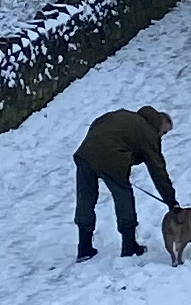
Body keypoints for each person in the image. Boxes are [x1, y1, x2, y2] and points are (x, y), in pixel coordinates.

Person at [73, 105, 179, 261]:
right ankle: (129, 246)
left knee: (86, 199)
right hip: (111, 159)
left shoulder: (123, 116)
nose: (161, 136)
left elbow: (97, 124)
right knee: (123, 197)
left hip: (85, 153)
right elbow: (158, 171)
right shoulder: (148, 132)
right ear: (160, 122)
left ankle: (84, 247)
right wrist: (171, 201)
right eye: (164, 132)